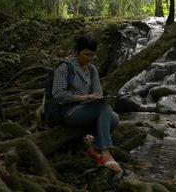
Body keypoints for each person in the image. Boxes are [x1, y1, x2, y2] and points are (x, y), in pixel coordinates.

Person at [52, 36, 123, 173]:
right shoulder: (64, 68)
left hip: (86, 110)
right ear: (76, 52)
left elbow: (97, 92)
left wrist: (97, 97)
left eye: (92, 55)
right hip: (69, 112)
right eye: (86, 54)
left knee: (114, 118)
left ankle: (93, 148)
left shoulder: (92, 70)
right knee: (105, 109)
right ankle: (105, 152)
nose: (89, 58)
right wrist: (83, 97)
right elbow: (58, 94)